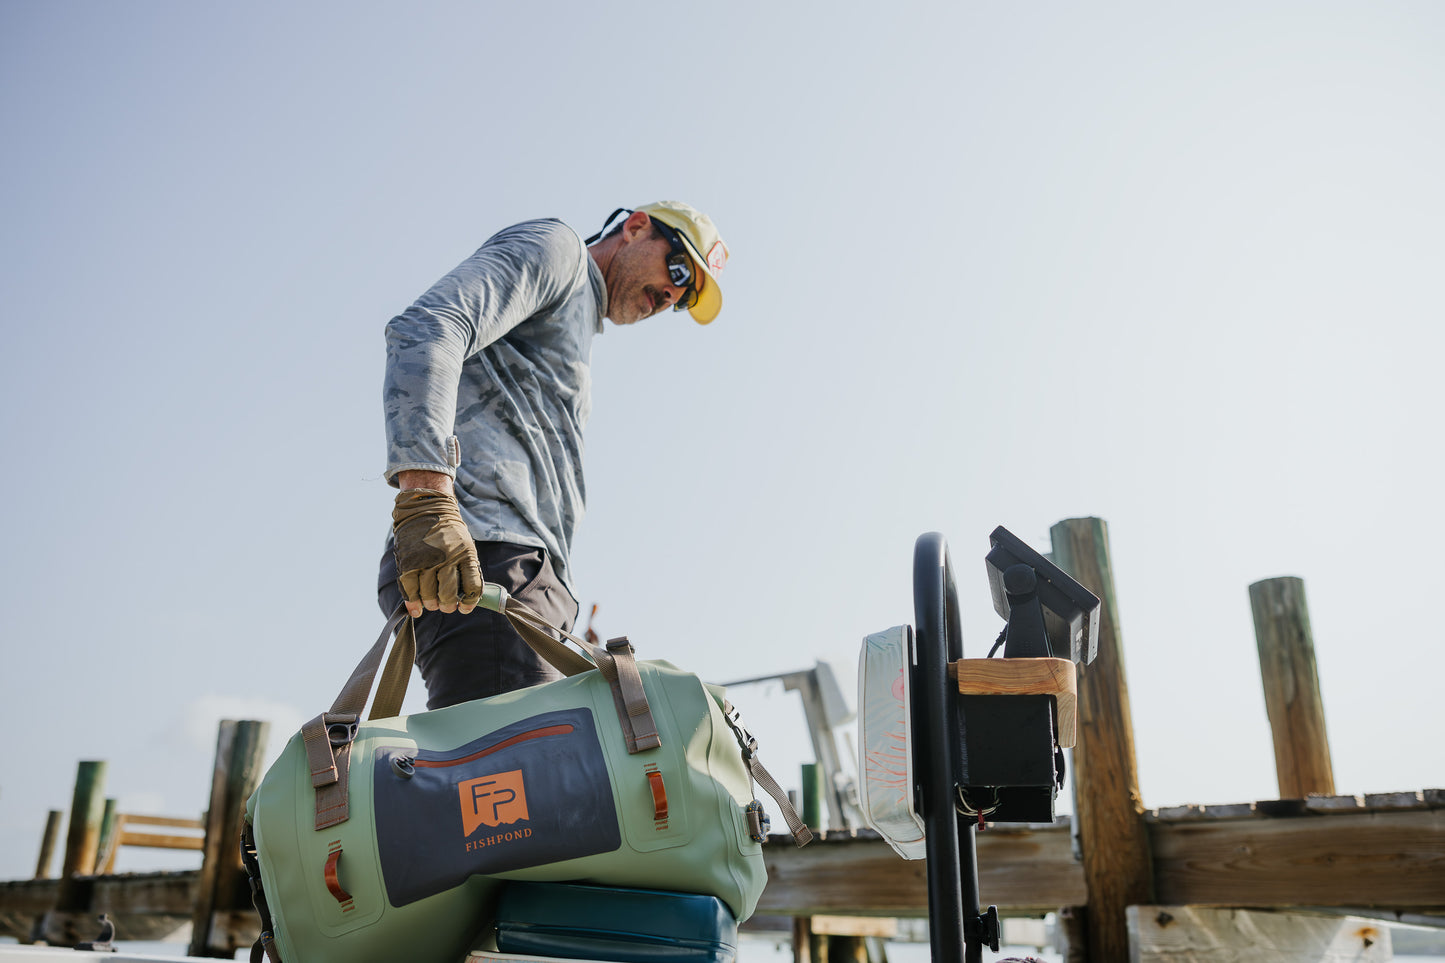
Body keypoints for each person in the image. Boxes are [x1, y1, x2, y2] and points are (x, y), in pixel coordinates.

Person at [377, 202, 729, 709]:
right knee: (523, 774)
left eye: (684, 296)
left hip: (514, 572)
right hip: (485, 560)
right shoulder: (560, 252)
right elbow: (428, 326)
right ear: (635, 229)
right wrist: (426, 499)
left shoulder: (578, 317)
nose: (672, 294)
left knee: (524, 773)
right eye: (678, 270)